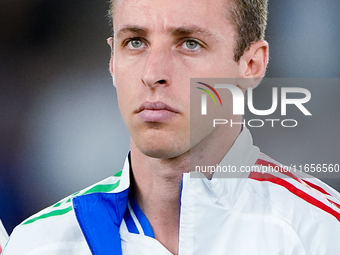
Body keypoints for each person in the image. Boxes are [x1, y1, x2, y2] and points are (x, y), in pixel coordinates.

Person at [3, 0, 340, 254]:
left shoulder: (321, 234)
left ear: (251, 65)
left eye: (190, 43)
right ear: (112, 60)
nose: (153, 73)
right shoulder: (40, 243)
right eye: (135, 41)